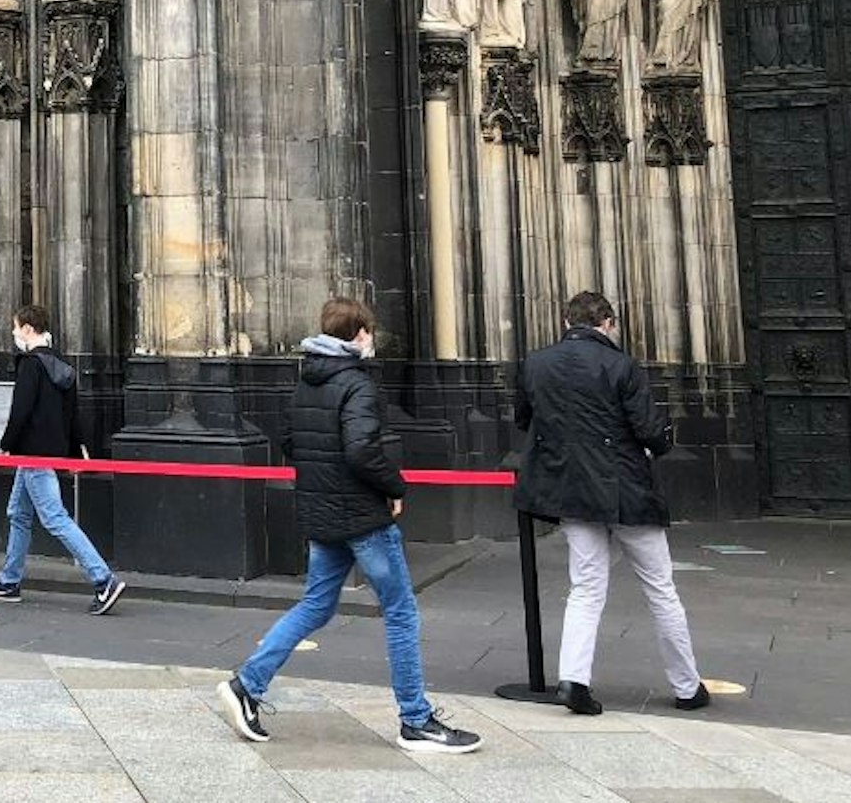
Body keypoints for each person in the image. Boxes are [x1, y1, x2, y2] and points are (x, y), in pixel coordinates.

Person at [218, 298, 482, 754]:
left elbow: (291, 441)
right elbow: (361, 449)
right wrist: (394, 485)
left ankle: (247, 684)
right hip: (362, 516)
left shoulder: (306, 381)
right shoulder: (357, 384)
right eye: (369, 332)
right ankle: (416, 720)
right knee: (400, 611)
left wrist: (327, 478)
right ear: (359, 334)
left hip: (324, 512)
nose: (371, 340)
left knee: (316, 606)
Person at [514, 291, 709, 715]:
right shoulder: (621, 365)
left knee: (585, 587)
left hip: (571, 490)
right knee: (660, 588)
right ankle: (687, 685)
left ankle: (573, 680)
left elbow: (524, 419)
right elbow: (649, 430)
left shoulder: (536, 364)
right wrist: (662, 441)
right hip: (626, 490)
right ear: (607, 323)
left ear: (567, 322)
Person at [0, 304, 125, 615]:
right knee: (18, 513)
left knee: (55, 518)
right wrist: (76, 447)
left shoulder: (31, 365)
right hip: (48, 449)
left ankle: (103, 579)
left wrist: (6, 443)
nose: (13, 333)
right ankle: (8, 581)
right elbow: (72, 413)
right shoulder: (61, 365)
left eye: (16, 327)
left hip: (32, 451)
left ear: (28, 329)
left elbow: (21, 408)